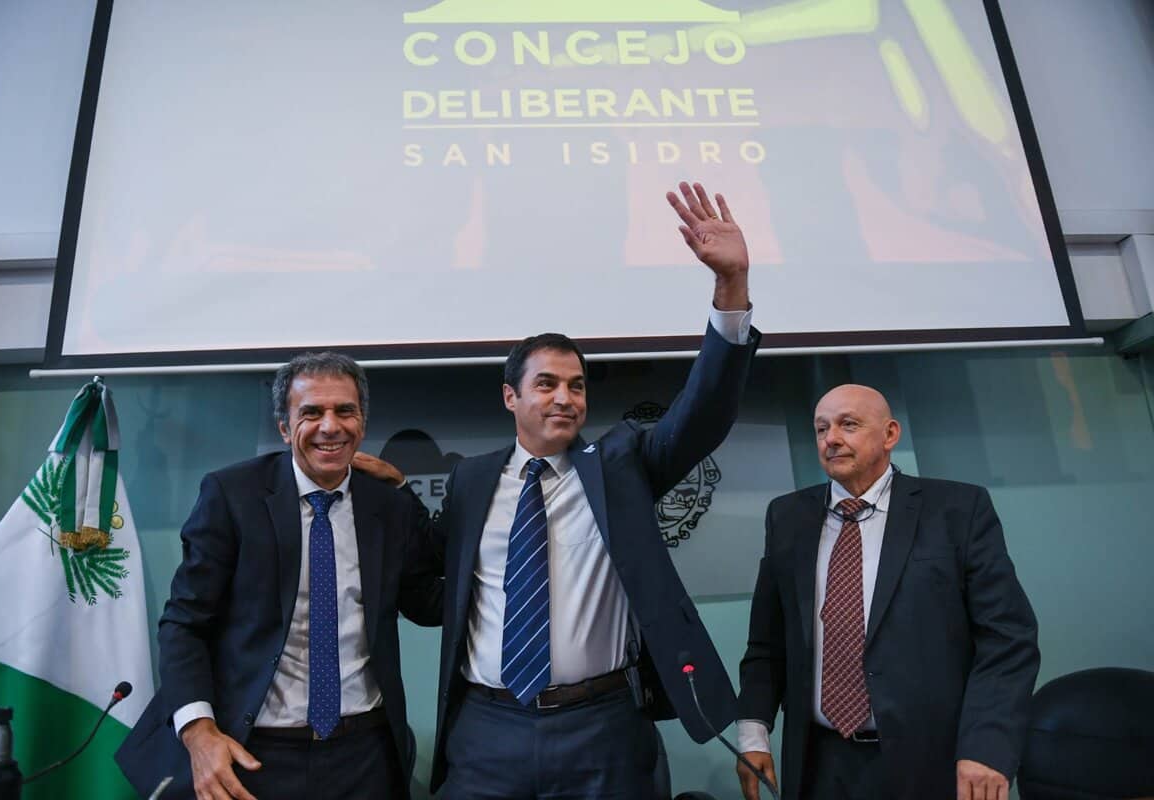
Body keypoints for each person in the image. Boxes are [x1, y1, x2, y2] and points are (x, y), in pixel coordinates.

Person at [357, 181, 759, 799]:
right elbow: (433, 588)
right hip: (486, 728)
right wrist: (399, 495)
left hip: (602, 728)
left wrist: (730, 287)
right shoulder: (471, 481)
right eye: (546, 384)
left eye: (576, 385)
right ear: (510, 397)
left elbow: (703, 414)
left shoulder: (621, 465)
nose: (565, 397)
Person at [115, 353, 443, 800]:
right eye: (312, 412)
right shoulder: (233, 496)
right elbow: (184, 624)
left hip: (365, 756)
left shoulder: (387, 506)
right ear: (285, 428)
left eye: (345, 411)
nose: (330, 426)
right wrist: (197, 732)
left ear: (362, 423)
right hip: (255, 753)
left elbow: (426, 602)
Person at [736, 384, 1040, 800]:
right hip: (818, 763)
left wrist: (987, 746)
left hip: (930, 760)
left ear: (890, 434)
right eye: (822, 428)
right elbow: (767, 642)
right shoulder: (787, 517)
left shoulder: (956, 509)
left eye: (848, 424)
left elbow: (1007, 639)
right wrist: (753, 734)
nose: (831, 439)